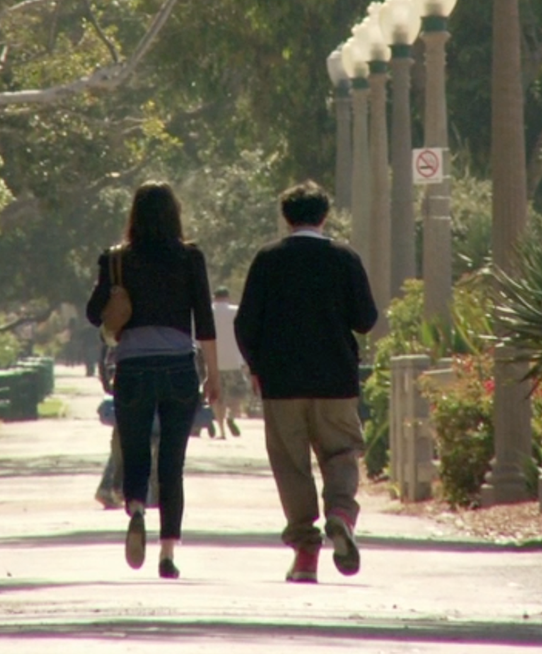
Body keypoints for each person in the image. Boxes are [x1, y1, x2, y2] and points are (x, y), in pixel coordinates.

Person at [235, 181, 377, 584]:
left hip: (282, 382)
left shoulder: (268, 259)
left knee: (291, 465)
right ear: (324, 216)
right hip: (336, 380)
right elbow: (365, 319)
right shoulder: (344, 258)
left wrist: (256, 366)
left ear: (286, 217)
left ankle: (305, 555)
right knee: (342, 453)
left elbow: (246, 324)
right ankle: (341, 512)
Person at [84, 182, 221, 579]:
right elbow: (204, 321)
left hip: (132, 368)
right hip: (179, 368)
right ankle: (168, 552)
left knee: (136, 451)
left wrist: (116, 295)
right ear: (175, 214)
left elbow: (94, 314)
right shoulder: (190, 257)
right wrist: (213, 376)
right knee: (172, 464)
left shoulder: (116, 260)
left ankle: (137, 510)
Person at [209, 287, 248, 438]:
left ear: (214, 297)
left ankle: (222, 431)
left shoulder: (209, 312)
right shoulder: (236, 311)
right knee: (238, 392)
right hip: (234, 360)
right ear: (227, 297)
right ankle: (232, 416)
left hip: (214, 362)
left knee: (217, 398)